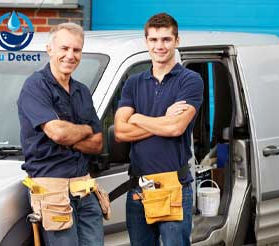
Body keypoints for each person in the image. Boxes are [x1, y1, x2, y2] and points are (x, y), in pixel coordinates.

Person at [114, 13, 204, 246]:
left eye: (166, 39)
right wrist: (162, 119)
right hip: (138, 189)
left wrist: (137, 117)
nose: (159, 46)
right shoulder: (134, 82)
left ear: (177, 41)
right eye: (153, 40)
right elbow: (121, 132)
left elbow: (175, 128)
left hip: (174, 185)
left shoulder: (190, 80)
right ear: (146, 42)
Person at [17, 23, 104, 246]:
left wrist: (70, 133)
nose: (70, 55)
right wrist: (84, 130)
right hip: (51, 191)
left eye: (76, 50)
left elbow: (97, 143)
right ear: (50, 49)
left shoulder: (82, 91)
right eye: (64, 48)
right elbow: (58, 134)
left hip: (84, 188)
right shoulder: (35, 86)